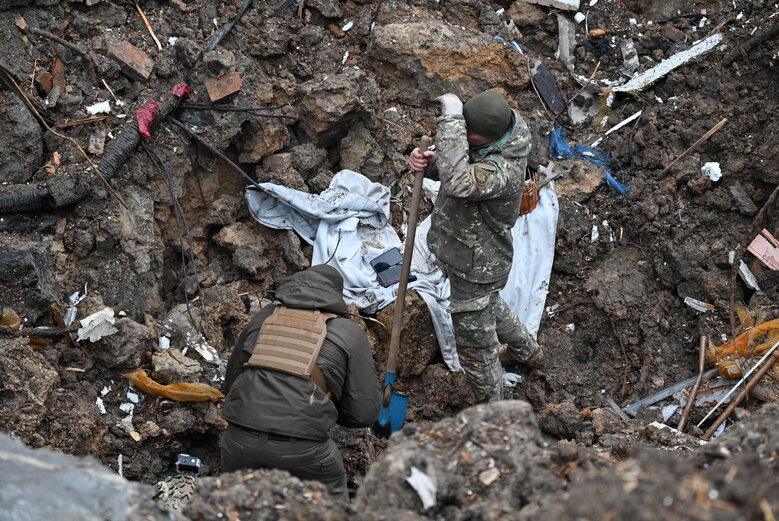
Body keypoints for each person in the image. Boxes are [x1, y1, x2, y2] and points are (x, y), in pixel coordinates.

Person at [409, 89, 543, 403]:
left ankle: (494, 413)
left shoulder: (503, 170)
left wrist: (452, 121)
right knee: (488, 304)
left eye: (468, 134)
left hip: (477, 264)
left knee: (476, 350)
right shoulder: (498, 136)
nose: (464, 138)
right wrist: (431, 161)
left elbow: (459, 183)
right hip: (468, 253)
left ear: (485, 138)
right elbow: (458, 164)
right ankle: (529, 352)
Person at [220, 264, 381, 502]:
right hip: (305, 453)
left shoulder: (263, 317)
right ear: (336, 295)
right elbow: (363, 414)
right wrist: (321, 408)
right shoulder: (348, 332)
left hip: (238, 443)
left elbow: (231, 383)